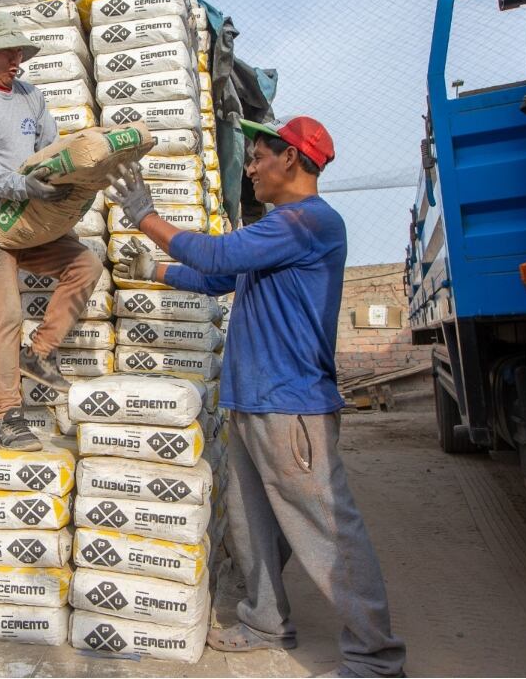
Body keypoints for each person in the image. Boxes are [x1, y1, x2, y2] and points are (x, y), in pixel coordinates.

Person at [109, 116, 406, 678]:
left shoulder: (307, 222)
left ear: (290, 159)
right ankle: (267, 620)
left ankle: (375, 657)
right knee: (252, 524)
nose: (250, 168)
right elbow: (221, 280)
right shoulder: (279, 229)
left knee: (325, 527)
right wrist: (156, 269)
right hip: (252, 400)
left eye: (259, 157)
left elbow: (218, 258)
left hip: (291, 405)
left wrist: (146, 217)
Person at [0, 11, 104, 452]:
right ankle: (7, 417)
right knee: (5, 315)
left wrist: (73, 176)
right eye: (9, 51)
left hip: (28, 220)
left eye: (21, 51)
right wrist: (20, 184)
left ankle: (41, 353)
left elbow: (49, 149)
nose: (19, 59)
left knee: (86, 265)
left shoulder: (31, 96)